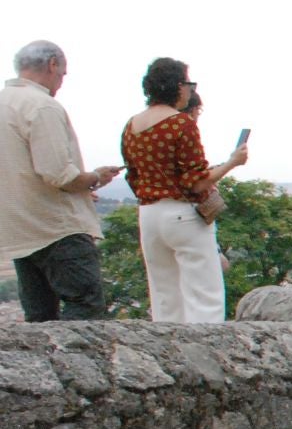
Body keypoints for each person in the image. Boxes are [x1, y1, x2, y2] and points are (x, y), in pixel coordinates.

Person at [120, 58, 247, 323]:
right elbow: (196, 181)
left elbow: (133, 176)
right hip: (183, 215)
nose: (190, 90)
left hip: (149, 214)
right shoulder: (181, 123)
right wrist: (232, 163)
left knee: (165, 297)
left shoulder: (131, 126)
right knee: (204, 297)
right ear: (178, 86)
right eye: (189, 84)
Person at [1, 41, 120, 321]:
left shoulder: (4, 103)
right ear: (53, 64)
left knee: (40, 317)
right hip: (57, 228)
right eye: (63, 74)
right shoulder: (41, 105)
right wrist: (95, 178)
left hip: (19, 230)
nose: (61, 82)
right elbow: (59, 175)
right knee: (86, 308)